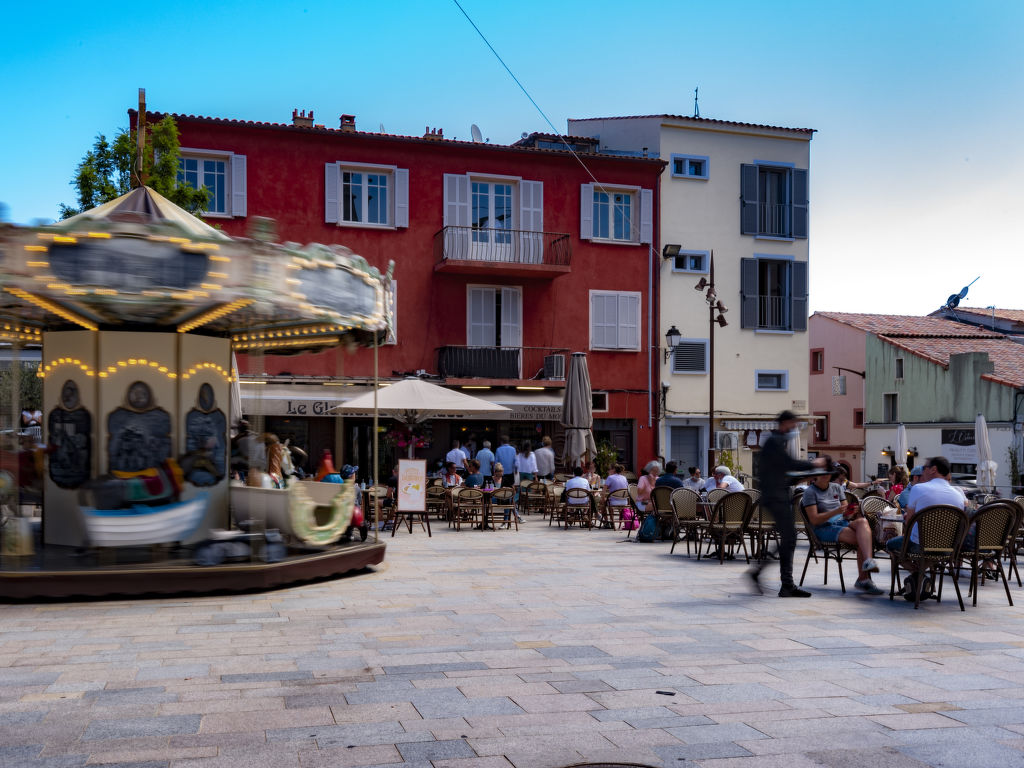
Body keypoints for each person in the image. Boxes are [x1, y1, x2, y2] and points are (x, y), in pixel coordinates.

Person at [748, 410, 825, 598]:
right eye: (794, 423)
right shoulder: (774, 442)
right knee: (789, 538)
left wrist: (800, 477)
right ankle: (785, 585)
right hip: (776, 497)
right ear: (786, 423)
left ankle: (764, 574)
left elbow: (780, 471)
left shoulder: (776, 441)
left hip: (777, 495)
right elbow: (789, 463)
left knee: (787, 538)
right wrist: (813, 464)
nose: (795, 427)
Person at [801, 466, 883, 595]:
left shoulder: (837, 488)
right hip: (823, 528)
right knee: (864, 538)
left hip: (842, 523)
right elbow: (814, 520)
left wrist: (851, 511)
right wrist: (835, 512)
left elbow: (846, 514)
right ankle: (864, 579)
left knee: (862, 522)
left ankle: (868, 561)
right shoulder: (810, 492)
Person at [886, 456, 965, 557]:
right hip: (948, 548)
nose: (922, 471)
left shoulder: (918, 489)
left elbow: (909, 522)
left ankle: (914, 567)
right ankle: (925, 566)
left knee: (889, 544)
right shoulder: (958, 495)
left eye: (924, 468)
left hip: (919, 545)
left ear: (933, 469)